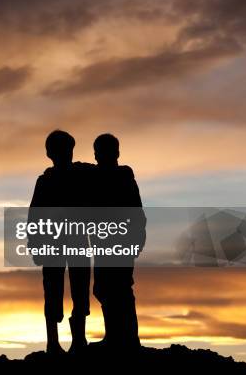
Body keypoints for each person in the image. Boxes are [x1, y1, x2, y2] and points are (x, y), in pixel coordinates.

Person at [28, 130, 91, 355]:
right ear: (50, 153)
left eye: (68, 149)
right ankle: (53, 343)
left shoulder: (82, 173)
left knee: (80, 288)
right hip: (53, 242)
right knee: (53, 291)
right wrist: (35, 244)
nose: (66, 154)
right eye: (62, 149)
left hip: (77, 240)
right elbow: (34, 216)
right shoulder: (45, 181)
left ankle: (78, 341)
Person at [89, 133, 146, 350]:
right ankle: (115, 336)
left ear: (116, 153)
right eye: (96, 152)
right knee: (104, 288)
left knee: (120, 288)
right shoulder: (96, 175)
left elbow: (136, 211)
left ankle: (129, 338)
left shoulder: (123, 175)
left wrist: (138, 237)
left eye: (101, 152)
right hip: (103, 243)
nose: (97, 157)